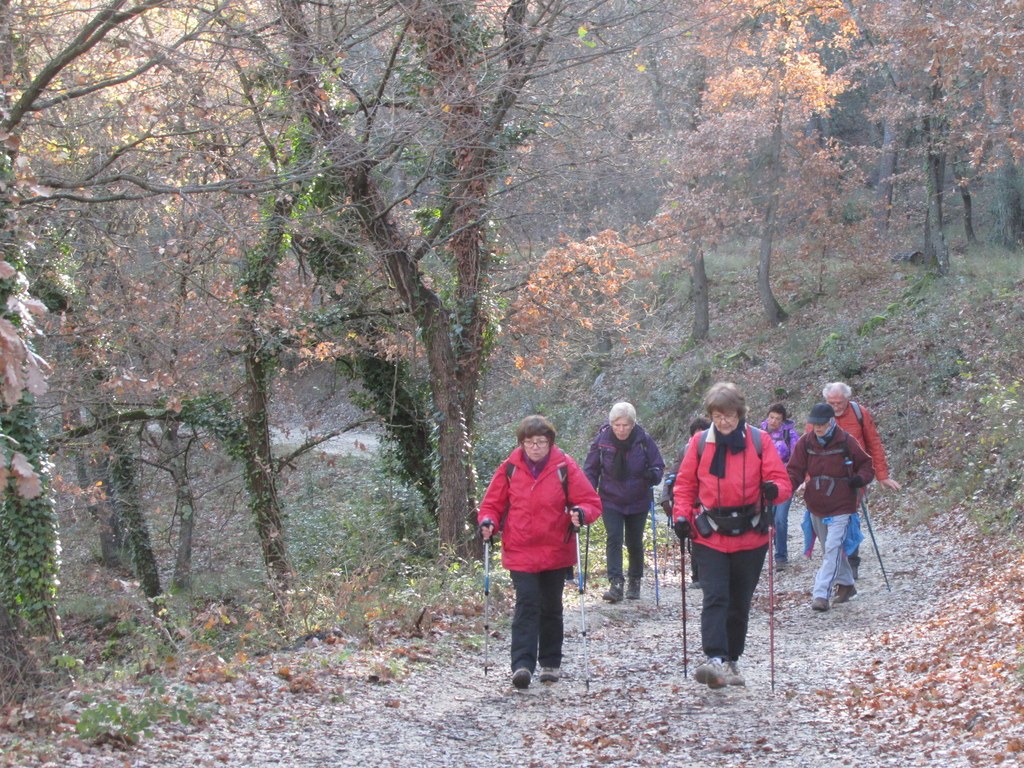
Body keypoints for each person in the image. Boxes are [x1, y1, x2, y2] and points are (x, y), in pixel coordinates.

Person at [671, 382, 791, 688]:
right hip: (710, 534)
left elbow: (782, 481)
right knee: (715, 596)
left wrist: (773, 490)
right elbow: (684, 487)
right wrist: (681, 516)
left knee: (739, 602)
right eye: (717, 415)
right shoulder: (699, 443)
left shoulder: (759, 441)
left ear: (740, 413)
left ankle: (732, 659)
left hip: (750, 535)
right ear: (711, 415)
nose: (723, 421)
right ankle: (715, 660)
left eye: (729, 415)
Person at [478, 415, 602, 690]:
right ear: (521, 443)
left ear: (550, 443)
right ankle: (522, 665)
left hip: (556, 549)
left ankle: (550, 663)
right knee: (527, 603)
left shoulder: (564, 467)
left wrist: (581, 513)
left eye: (541, 442)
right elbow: (492, 505)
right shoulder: (509, 468)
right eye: (530, 442)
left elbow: (590, 501)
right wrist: (488, 522)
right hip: (520, 549)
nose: (535, 447)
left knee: (551, 606)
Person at [787, 403, 874, 612]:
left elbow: (866, 465)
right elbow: (794, 471)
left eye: (822, 424)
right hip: (816, 504)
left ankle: (821, 594)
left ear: (831, 422)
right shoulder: (806, 443)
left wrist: (859, 479)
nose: (818, 428)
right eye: (815, 424)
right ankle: (847, 585)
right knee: (830, 551)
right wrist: (784, 491)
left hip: (842, 503)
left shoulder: (845, 441)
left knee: (833, 549)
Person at [584, 402, 665, 603]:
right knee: (614, 537)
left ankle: (634, 581)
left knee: (634, 541)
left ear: (633, 424)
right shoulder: (602, 441)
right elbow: (591, 469)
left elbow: (658, 465)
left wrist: (652, 475)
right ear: (611, 424)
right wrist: (587, 491)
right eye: (617, 425)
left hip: (638, 499)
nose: (621, 429)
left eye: (626, 425)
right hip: (610, 498)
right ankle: (616, 583)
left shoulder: (643, 440)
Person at [822, 382, 901, 578]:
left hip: (855, 477)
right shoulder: (820, 415)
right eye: (831, 403)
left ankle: (852, 562)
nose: (835, 407)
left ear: (847, 399)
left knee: (848, 517)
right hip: (827, 479)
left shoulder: (859, 413)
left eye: (839, 402)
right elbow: (806, 448)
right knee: (831, 521)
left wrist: (881, 475)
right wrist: (807, 478)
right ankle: (837, 562)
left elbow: (874, 443)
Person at [661, 416, 711, 589]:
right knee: (695, 538)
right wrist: (665, 497)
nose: (700, 438)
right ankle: (697, 576)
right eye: (697, 434)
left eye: (703, 434)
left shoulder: (716, 449)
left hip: (710, 500)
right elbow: (673, 474)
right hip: (693, 500)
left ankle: (706, 574)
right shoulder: (685, 451)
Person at [760, 404, 799, 569]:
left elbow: (797, 458)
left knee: (780, 519)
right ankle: (760, 555)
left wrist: (796, 479)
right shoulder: (759, 434)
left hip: (784, 481)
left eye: (777, 418)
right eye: (771, 417)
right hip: (763, 482)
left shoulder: (790, 435)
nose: (773, 421)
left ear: (783, 420)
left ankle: (781, 557)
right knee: (767, 519)